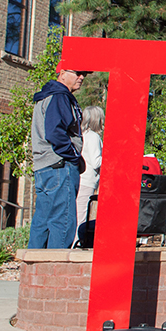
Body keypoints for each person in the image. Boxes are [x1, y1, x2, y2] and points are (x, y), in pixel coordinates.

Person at [29, 67, 85, 249]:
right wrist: (73, 156)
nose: (81, 77)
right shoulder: (60, 96)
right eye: (77, 73)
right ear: (62, 74)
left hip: (43, 168)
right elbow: (55, 133)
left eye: (83, 74)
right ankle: (56, 272)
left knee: (42, 223)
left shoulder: (47, 96)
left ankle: (35, 272)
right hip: (59, 167)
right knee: (62, 222)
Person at [74, 106, 104, 240]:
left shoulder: (83, 135)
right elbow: (96, 161)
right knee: (81, 215)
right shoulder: (93, 136)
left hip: (80, 179)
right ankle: (77, 244)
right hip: (87, 181)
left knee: (78, 213)